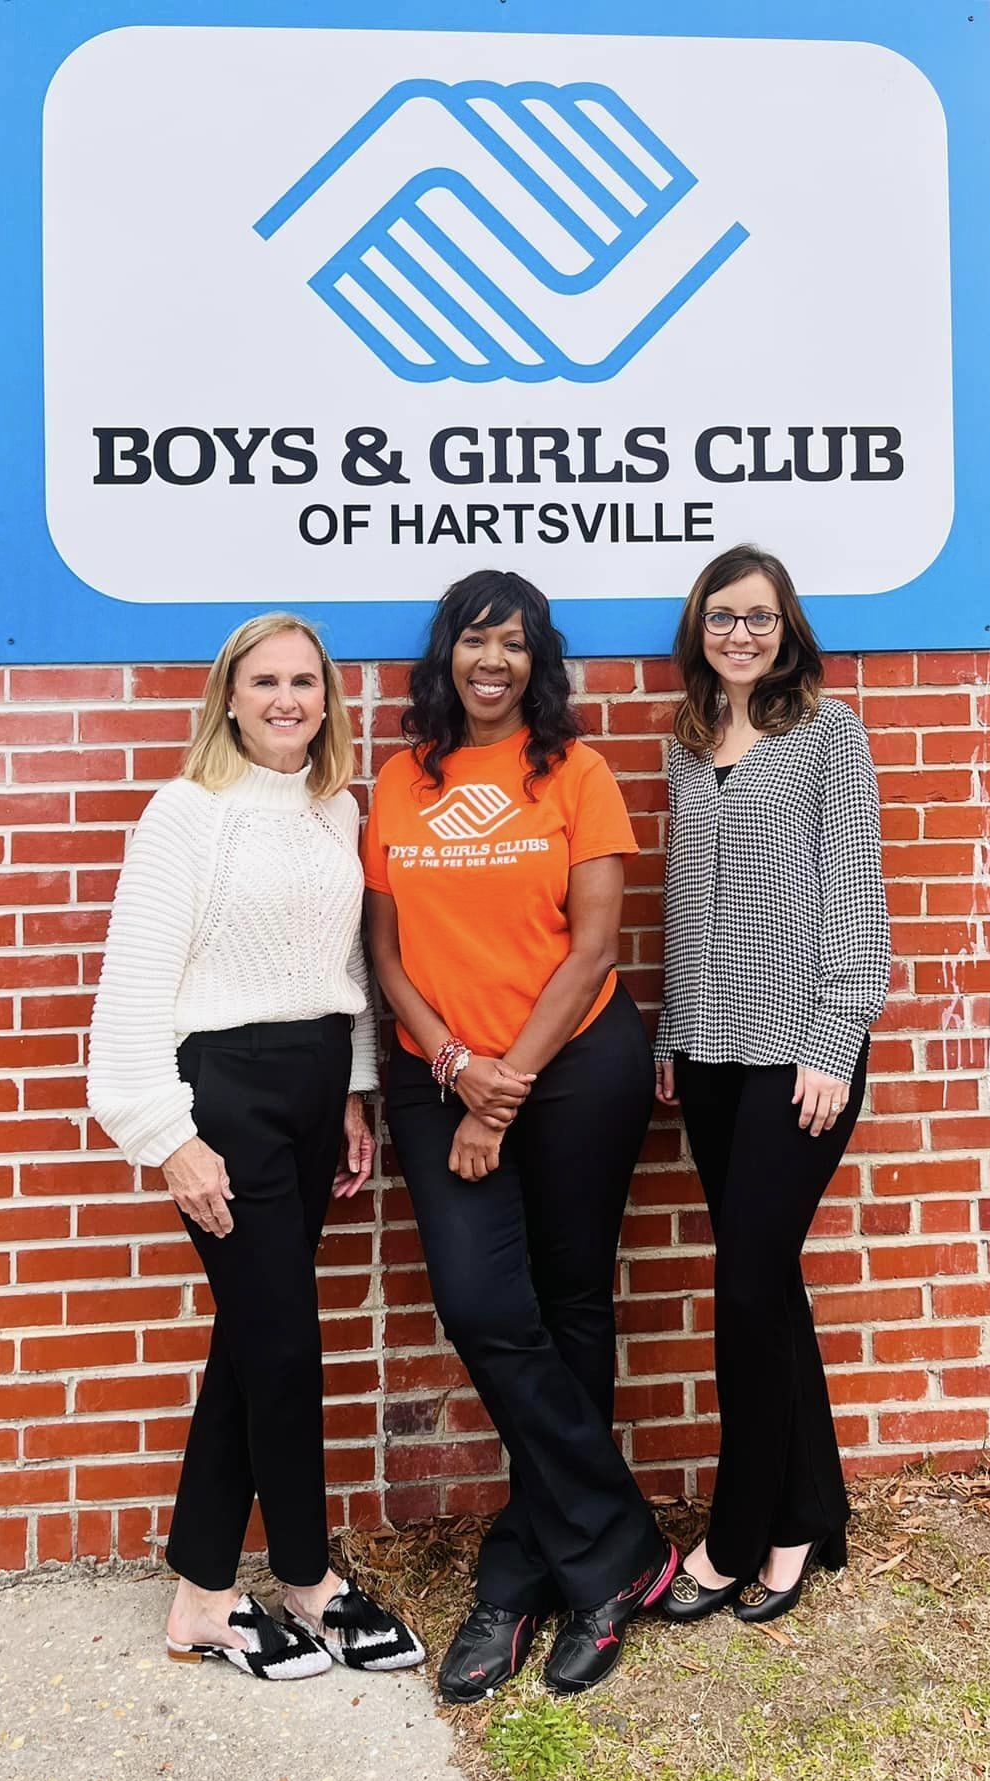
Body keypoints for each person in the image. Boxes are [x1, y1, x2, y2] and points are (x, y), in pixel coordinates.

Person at [87, 612, 423, 1680]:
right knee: (281, 1342)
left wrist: (359, 1095)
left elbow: (349, 967)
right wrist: (169, 1139)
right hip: (222, 1095)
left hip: (317, 1086)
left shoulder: (336, 811)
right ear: (228, 697)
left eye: (305, 682)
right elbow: (131, 991)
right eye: (264, 680)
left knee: (252, 1338)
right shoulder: (186, 814)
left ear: (329, 699)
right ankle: (308, 1577)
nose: (287, 698)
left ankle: (200, 1592)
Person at [364, 569, 677, 1703]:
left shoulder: (576, 772)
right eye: (471, 641)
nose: (489, 662)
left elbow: (593, 948)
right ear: (444, 654)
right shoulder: (402, 781)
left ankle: (527, 1571)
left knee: (571, 1300)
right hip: (436, 1071)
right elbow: (387, 956)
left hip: (574, 1066)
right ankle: (619, 1548)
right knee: (487, 1306)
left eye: (512, 644)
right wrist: (458, 1070)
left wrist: (506, 1090)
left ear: (536, 661)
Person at [654, 543, 890, 1626]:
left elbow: (853, 892)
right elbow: (685, 903)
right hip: (708, 1049)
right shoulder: (687, 741)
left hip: (799, 1050)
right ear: (697, 630)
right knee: (767, 1283)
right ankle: (814, 1505)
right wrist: (668, 1028)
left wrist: (833, 1037)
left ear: (787, 627)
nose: (738, 633)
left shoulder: (827, 733)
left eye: (758, 616)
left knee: (745, 1285)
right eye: (719, 616)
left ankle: (745, 1528)